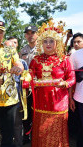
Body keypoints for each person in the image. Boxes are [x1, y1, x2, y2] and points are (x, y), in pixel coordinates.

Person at [29, 19, 75, 147]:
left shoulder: (64, 60)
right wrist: (29, 79)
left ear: (57, 43)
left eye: (51, 41)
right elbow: (30, 77)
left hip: (58, 103)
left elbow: (72, 79)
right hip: (40, 102)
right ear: (41, 43)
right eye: (45, 41)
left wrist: (64, 84)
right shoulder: (35, 60)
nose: (48, 44)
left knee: (56, 134)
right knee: (41, 132)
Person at [5, 37, 28, 147]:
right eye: (7, 46)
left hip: (17, 98)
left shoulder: (22, 62)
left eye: (14, 44)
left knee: (17, 124)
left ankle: (18, 144)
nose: (11, 47)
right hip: (3, 99)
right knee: (4, 124)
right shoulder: (0, 61)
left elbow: (27, 78)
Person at [69, 32, 83, 147]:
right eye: (75, 42)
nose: (76, 44)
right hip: (80, 96)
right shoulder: (74, 55)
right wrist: (70, 98)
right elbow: (70, 77)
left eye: (79, 41)